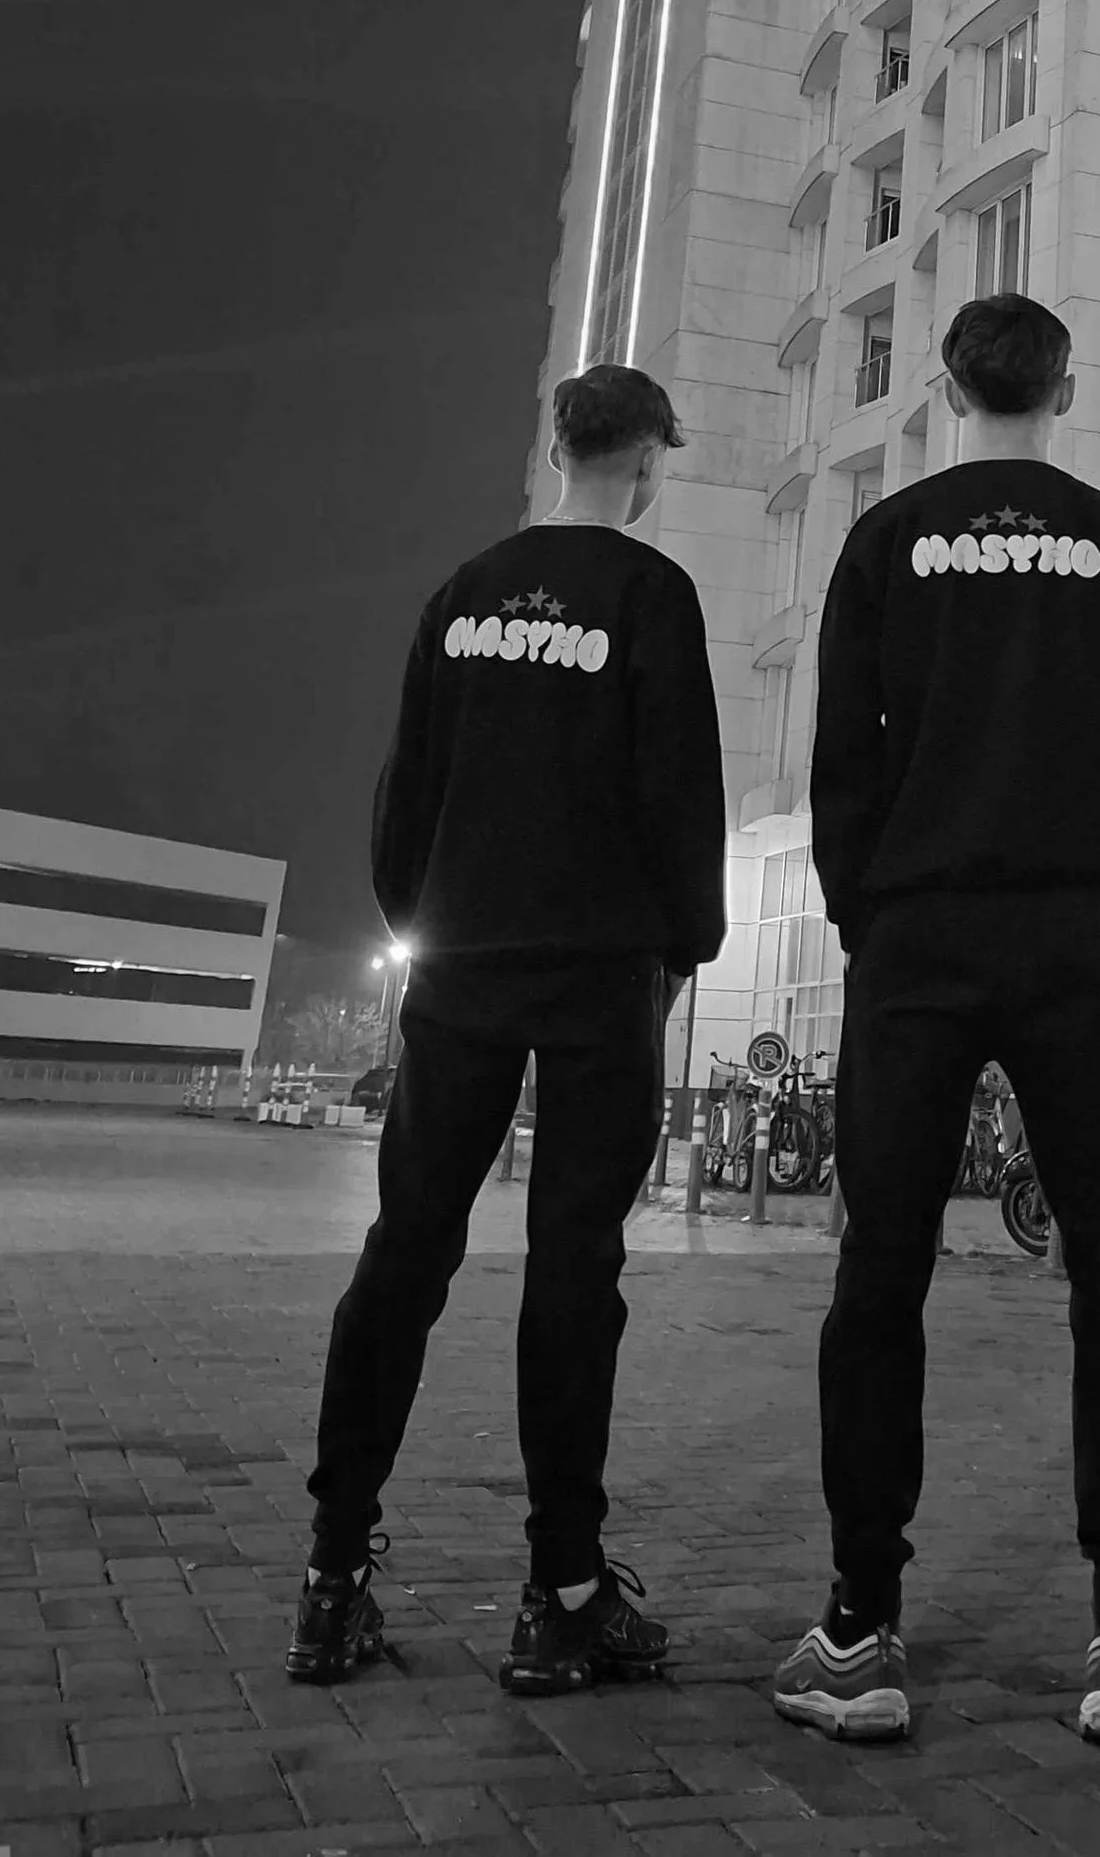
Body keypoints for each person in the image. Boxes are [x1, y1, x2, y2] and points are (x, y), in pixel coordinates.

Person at [772, 293, 1100, 1749]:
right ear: (1066, 387)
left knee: (881, 1270)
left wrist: (871, 911)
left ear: (948, 390)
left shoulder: (889, 544)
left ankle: (857, 1624)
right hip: (1086, 928)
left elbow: (845, 756)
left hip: (923, 932)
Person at [287, 363, 725, 1698]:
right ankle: (563, 1594)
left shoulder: (464, 593)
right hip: (598, 979)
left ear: (559, 446)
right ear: (647, 463)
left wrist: (434, 915)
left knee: (402, 1256)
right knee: (574, 1271)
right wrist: (680, 948)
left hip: (467, 969)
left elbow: (403, 792)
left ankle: (331, 1580)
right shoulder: (651, 596)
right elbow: (680, 793)